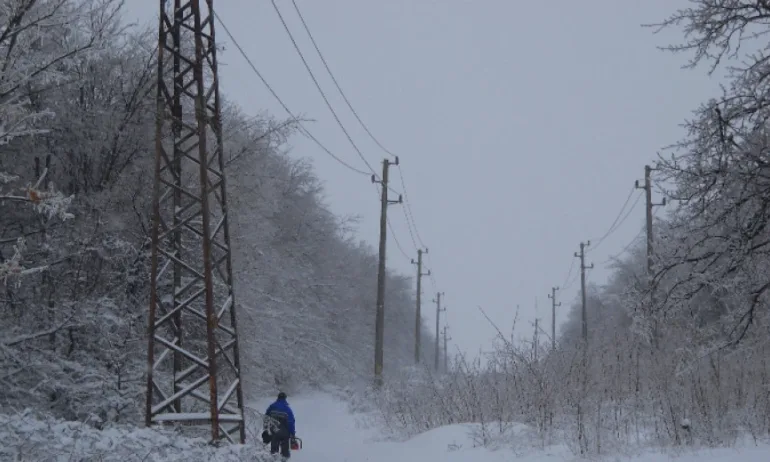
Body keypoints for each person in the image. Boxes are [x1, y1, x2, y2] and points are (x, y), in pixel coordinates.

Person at [264, 392, 296, 459]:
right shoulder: (287, 409)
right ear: (285, 398)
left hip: (274, 431)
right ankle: (284, 458)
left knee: (274, 450)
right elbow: (291, 422)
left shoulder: (272, 407)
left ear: (278, 398)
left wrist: (266, 428)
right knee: (285, 451)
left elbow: (266, 418)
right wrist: (292, 433)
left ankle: (274, 458)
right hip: (285, 433)